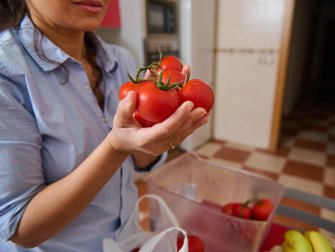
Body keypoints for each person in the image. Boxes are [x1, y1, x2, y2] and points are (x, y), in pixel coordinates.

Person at [0, 0, 209, 251]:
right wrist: (114, 148)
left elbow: (139, 161)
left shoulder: (122, 59)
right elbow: (23, 228)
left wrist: (159, 130)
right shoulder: (7, 74)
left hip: (129, 237)